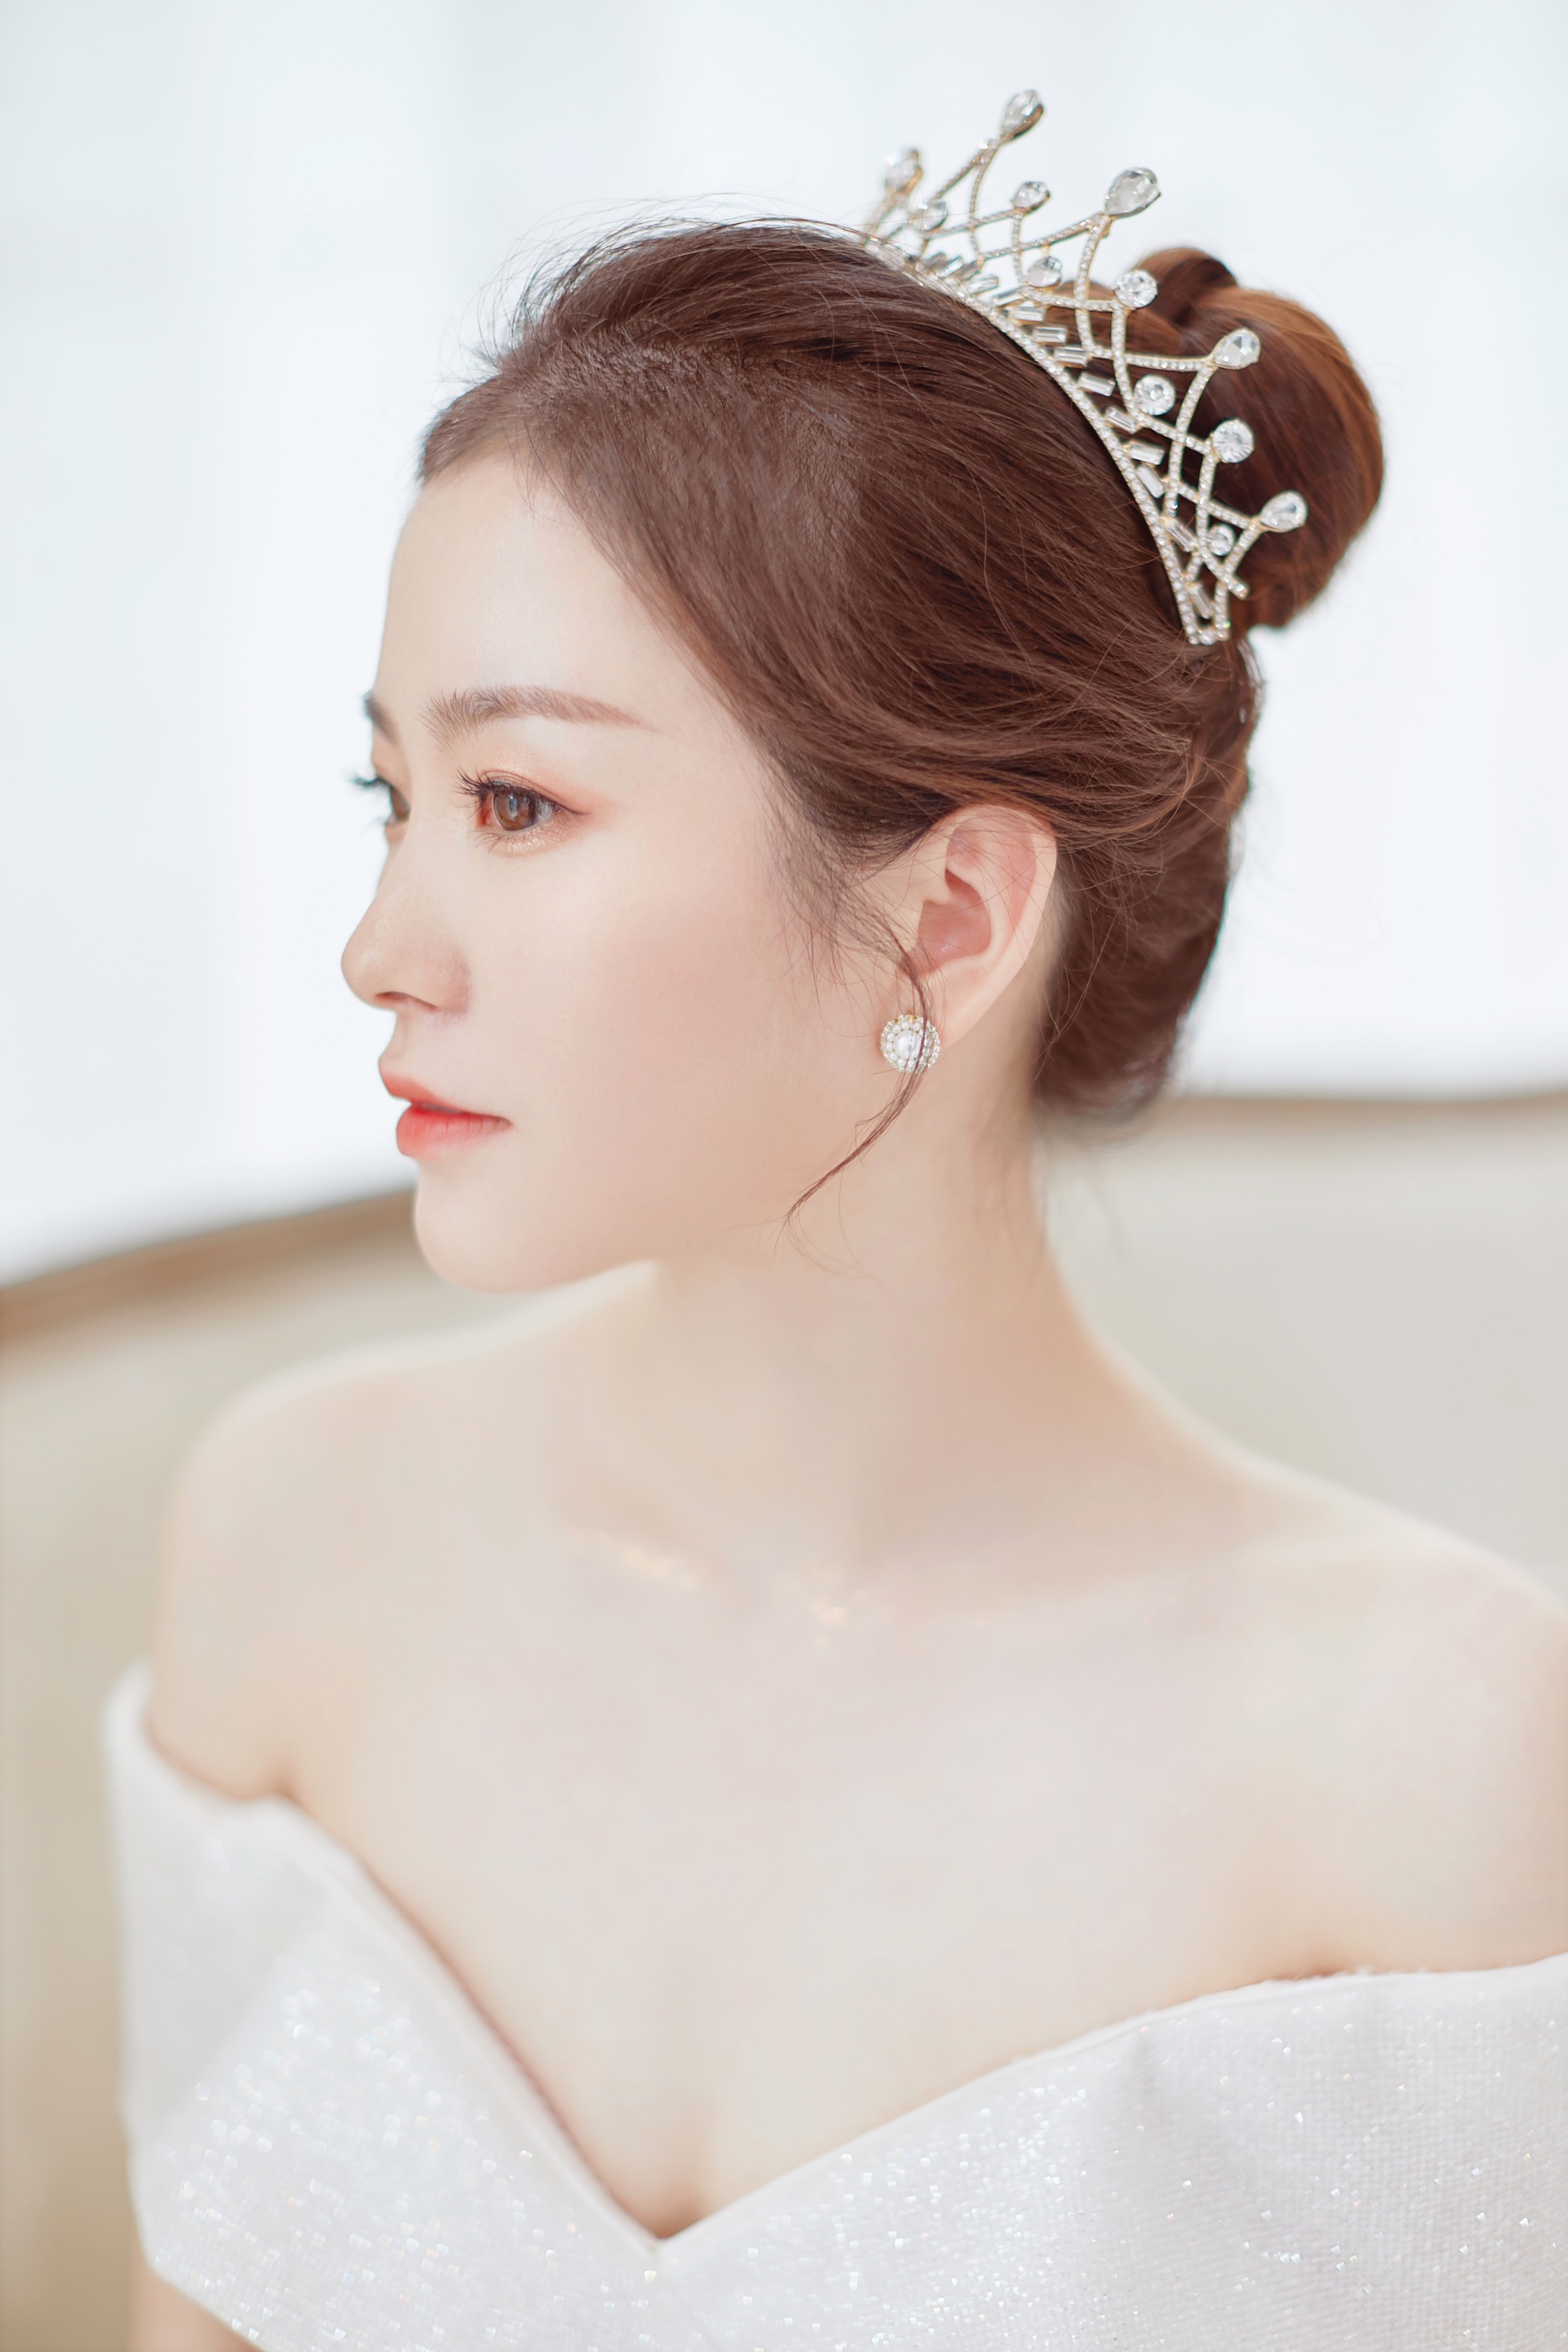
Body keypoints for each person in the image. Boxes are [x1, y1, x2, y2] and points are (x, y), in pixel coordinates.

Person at [112, 97, 1567, 2352]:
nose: (379, 948)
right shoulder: (289, 1542)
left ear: (950, 914)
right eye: (388, 794)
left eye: (520, 801)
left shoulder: (1418, 1745)